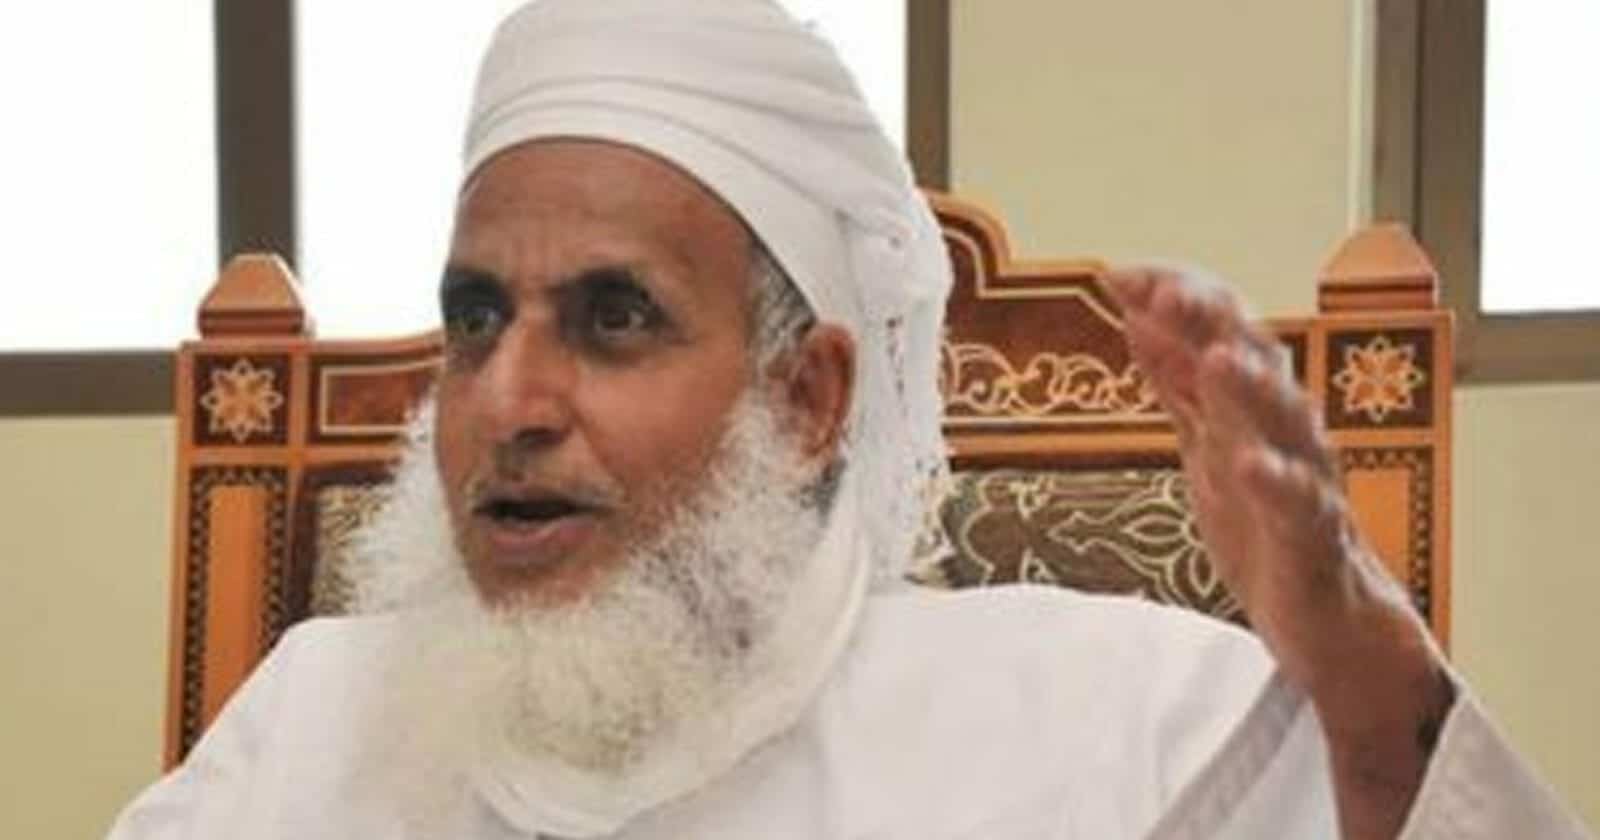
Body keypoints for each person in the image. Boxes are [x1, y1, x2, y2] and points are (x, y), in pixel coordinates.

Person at [109, 1, 1590, 837]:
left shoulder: (1112, 721)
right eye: (478, 318)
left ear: (807, 395)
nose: (507, 402)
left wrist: (1364, 666)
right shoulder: (313, 727)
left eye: (614, 319)